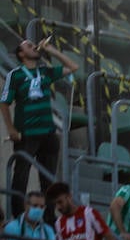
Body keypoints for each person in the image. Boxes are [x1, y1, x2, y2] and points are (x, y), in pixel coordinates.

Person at [1, 35, 79, 216]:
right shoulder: (16, 75)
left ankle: (50, 218)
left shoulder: (45, 71)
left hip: (48, 133)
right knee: (21, 176)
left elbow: (74, 67)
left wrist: (51, 50)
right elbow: (4, 103)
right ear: (21, 54)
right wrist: (11, 129)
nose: (34, 46)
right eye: (29, 45)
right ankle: (18, 216)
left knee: (49, 180)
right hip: (27, 133)